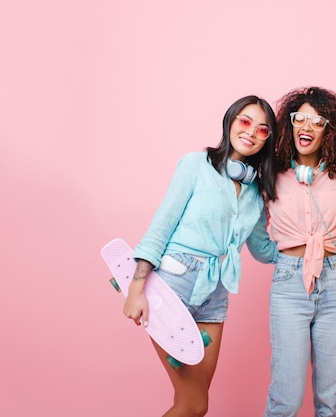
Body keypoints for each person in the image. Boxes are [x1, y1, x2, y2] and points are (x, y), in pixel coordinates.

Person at [123, 95, 278, 417]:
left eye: (262, 130)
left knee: (191, 404)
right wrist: (136, 287)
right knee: (195, 404)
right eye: (245, 121)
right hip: (172, 287)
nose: (251, 132)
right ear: (231, 121)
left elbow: (263, 250)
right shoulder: (196, 164)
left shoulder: (256, 192)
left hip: (215, 296)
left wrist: (310, 244)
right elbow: (161, 226)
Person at [260, 86, 336, 417]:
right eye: (300, 118)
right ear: (289, 124)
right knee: (285, 398)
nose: (307, 127)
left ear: (331, 130)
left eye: (318, 122)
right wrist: (280, 259)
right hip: (289, 284)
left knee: (331, 402)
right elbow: (251, 223)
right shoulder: (269, 172)